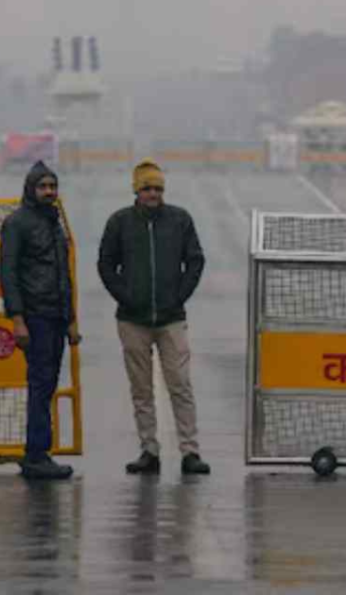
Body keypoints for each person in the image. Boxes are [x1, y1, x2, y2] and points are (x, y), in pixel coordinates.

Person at [98, 158, 210, 475]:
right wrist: (125, 295)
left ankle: (190, 451)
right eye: (147, 188)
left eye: (158, 188)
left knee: (181, 385)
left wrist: (179, 295)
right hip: (132, 320)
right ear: (136, 190)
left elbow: (196, 260)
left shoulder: (180, 220)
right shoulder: (119, 222)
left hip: (171, 319)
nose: (153, 194)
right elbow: (106, 263)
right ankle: (149, 450)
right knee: (141, 389)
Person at [0, 160, 80, 480]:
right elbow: (8, 273)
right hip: (35, 317)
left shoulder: (54, 222)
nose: (49, 192)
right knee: (40, 384)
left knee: (46, 385)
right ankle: (36, 455)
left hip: (56, 316)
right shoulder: (17, 223)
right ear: (31, 190)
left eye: (53, 186)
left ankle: (38, 453)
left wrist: (70, 320)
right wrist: (17, 319)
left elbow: (64, 277)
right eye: (43, 186)